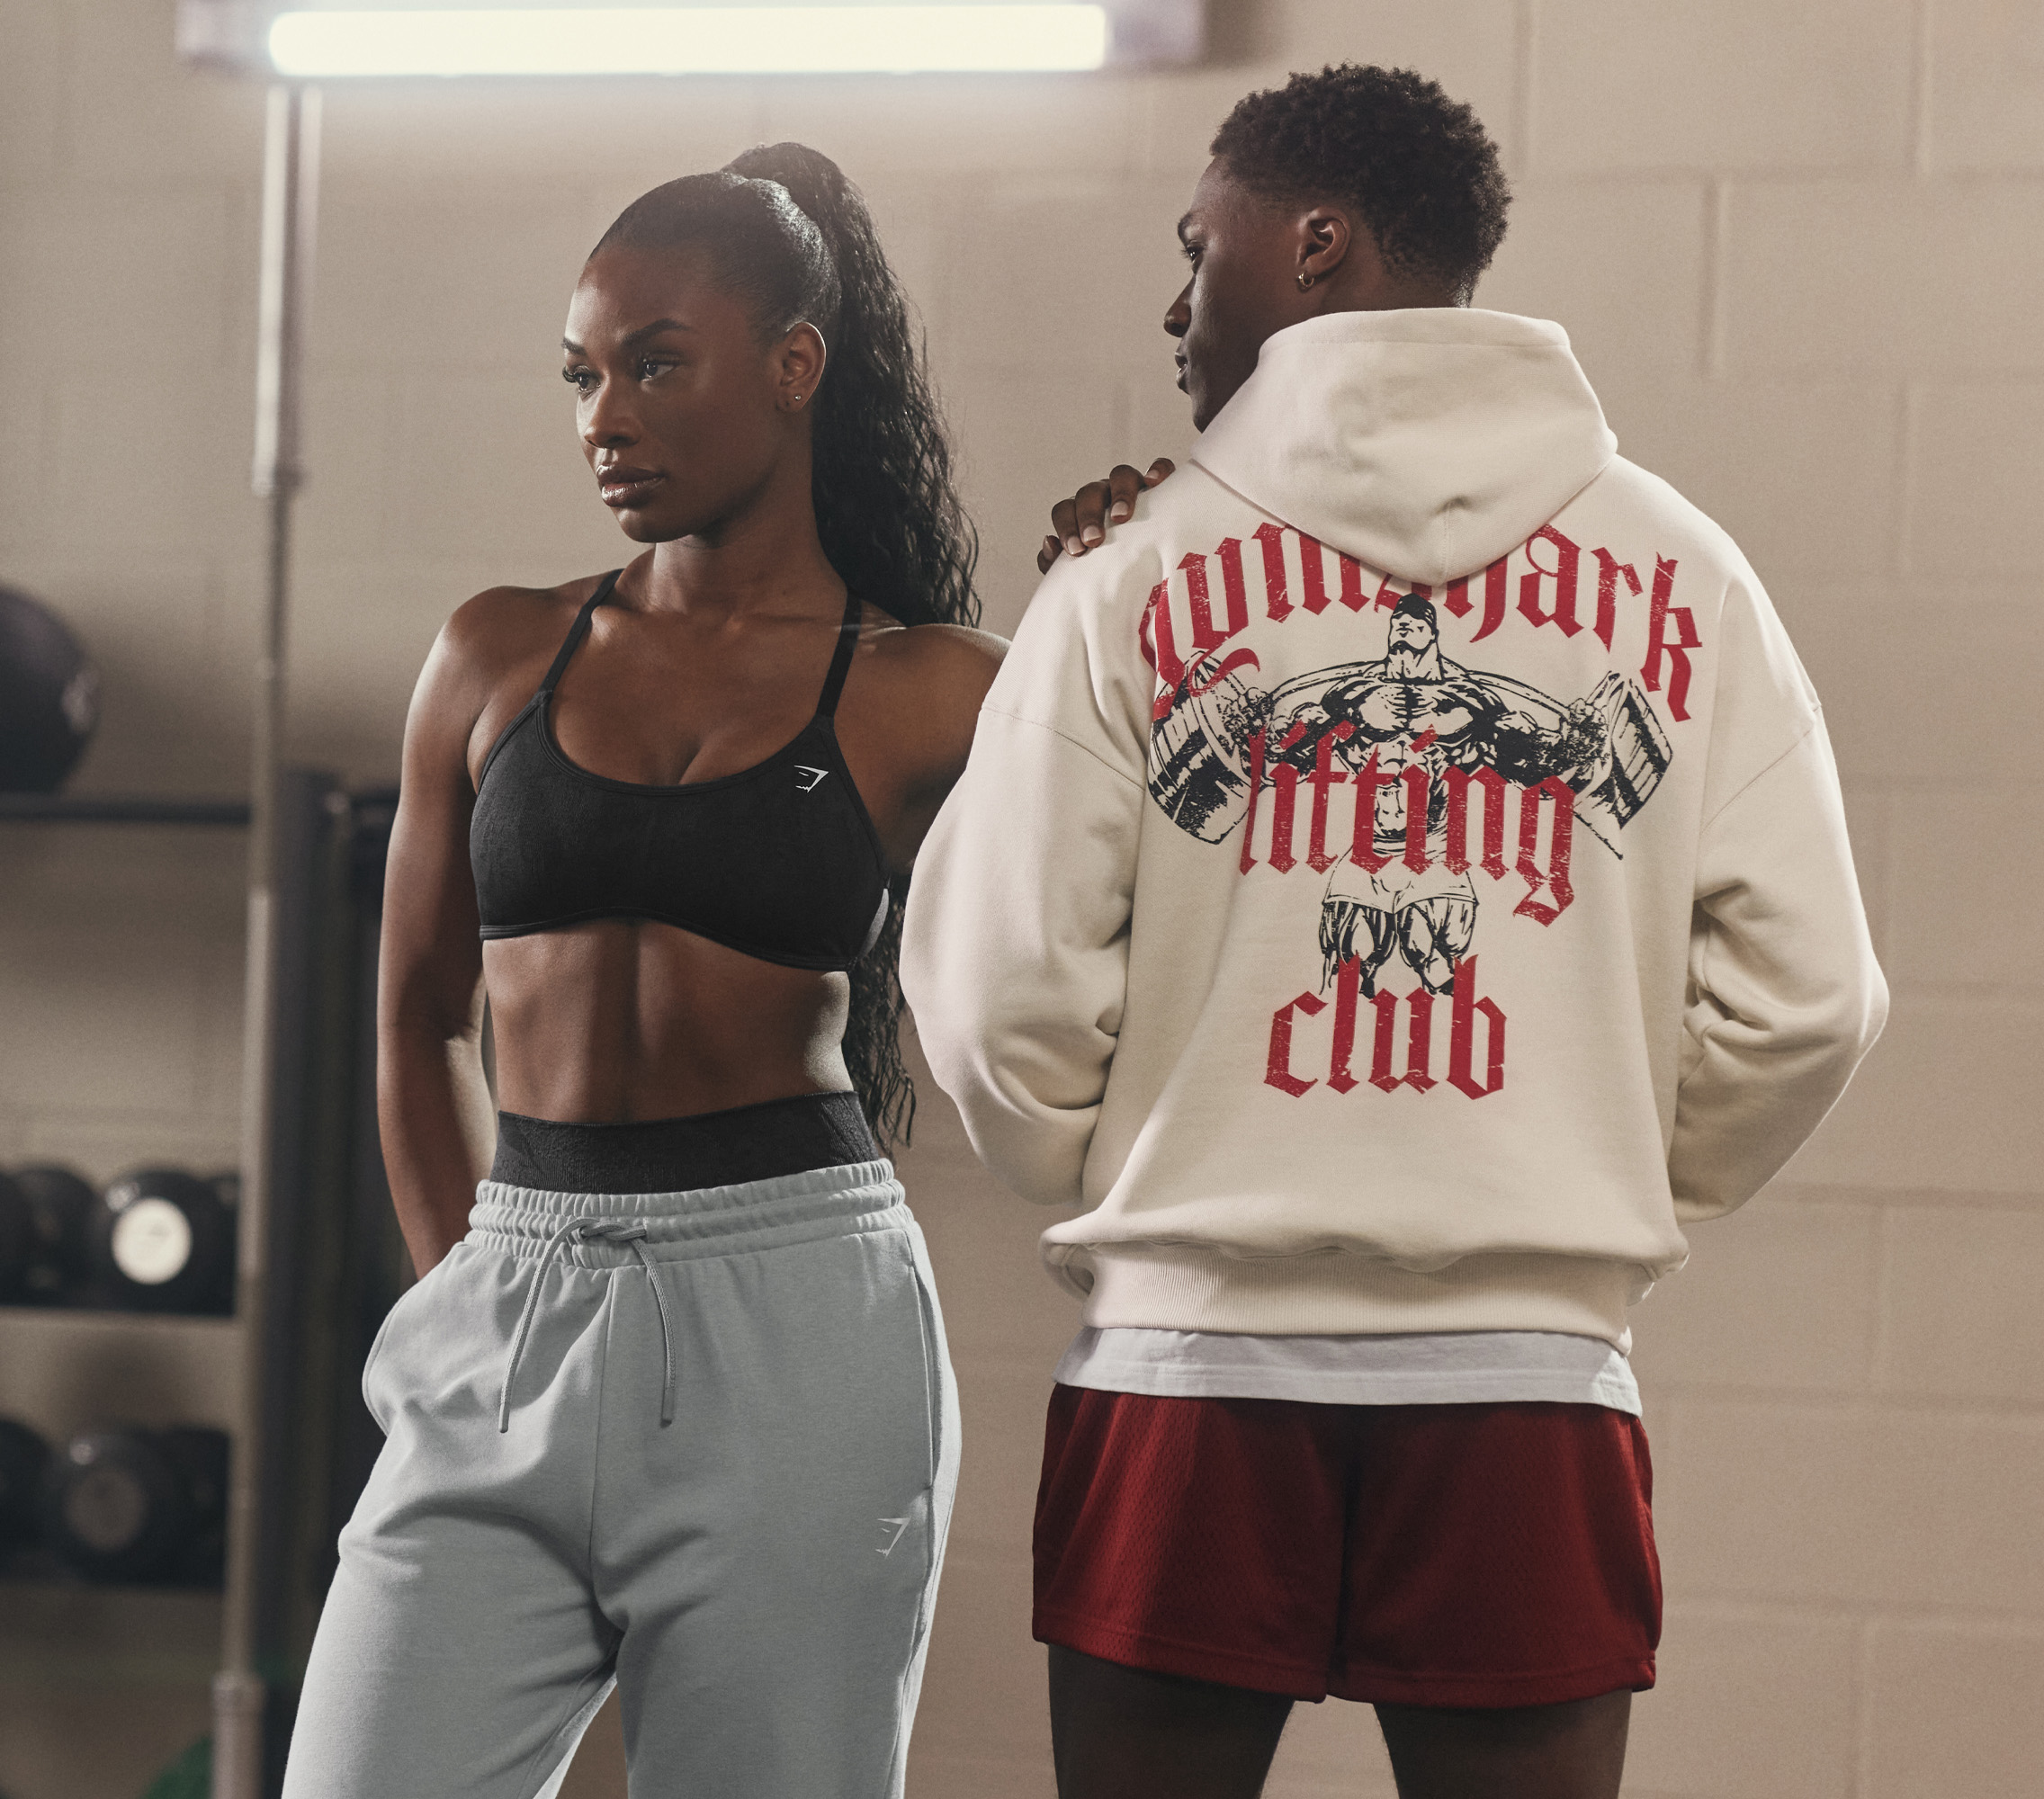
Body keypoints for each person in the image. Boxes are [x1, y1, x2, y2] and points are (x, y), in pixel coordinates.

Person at [901, 65, 1887, 1799]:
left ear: (1314, 243)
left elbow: (996, 998)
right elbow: (1809, 1001)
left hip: (1189, 1371)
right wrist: (1577, 1163)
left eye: (1198, 247)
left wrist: (1118, 1163)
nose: (1178, 303)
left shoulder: (1127, 575)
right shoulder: (1689, 576)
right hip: (1531, 1374)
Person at [282, 143, 998, 1799]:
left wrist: (1131, 572)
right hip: (510, 1303)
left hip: (792, 1320)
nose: (606, 416)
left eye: (657, 366)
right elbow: (414, 1021)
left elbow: (1154, 873)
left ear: (794, 367)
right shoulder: (496, 652)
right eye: (583, 375)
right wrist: (469, 1295)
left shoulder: (934, 688)